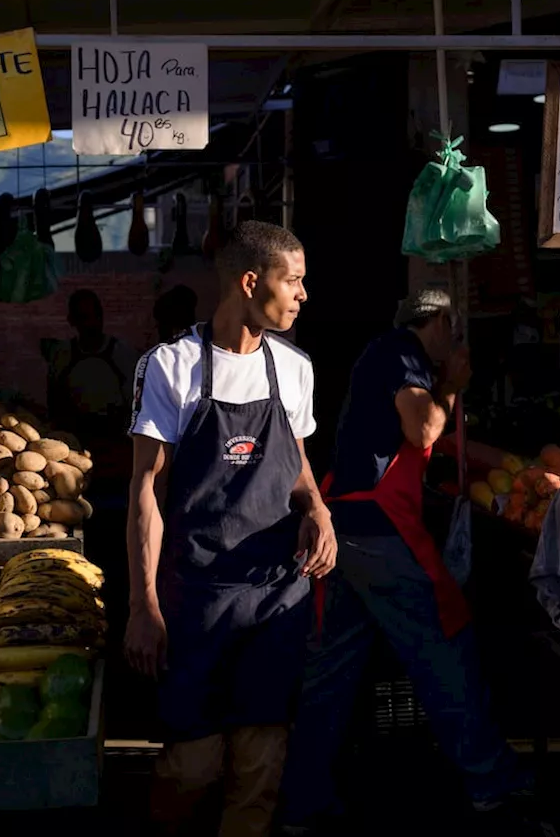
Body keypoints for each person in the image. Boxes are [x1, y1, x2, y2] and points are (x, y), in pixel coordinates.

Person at [277, 288, 531, 832]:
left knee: (332, 673)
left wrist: (517, 464)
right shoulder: (401, 354)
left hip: (348, 531)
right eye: (453, 332)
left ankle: (302, 801)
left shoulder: (393, 359)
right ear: (439, 321)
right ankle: (492, 782)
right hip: (378, 533)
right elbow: (425, 428)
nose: (454, 346)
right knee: (445, 644)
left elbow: (436, 441)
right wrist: (454, 383)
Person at [125, 221, 337, 837]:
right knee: (191, 766)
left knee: (261, 763)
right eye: (292, 280)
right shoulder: (172, 367)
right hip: (196, 600)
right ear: (251, 281)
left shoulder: (295, 369)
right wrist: (144, 605)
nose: (302, 295)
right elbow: (145, 489)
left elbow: (294, 462)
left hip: (274, 595)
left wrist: (317, 510)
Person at [46, 289, 141, 478]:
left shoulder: (121, 354)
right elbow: (53, 399)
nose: (89, 323)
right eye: (82, 317)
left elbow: (137, 405)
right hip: (74, 440)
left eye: (93, 316)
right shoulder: (63, 355)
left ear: (101, 317)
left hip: (114, 439)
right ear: (71, 320)